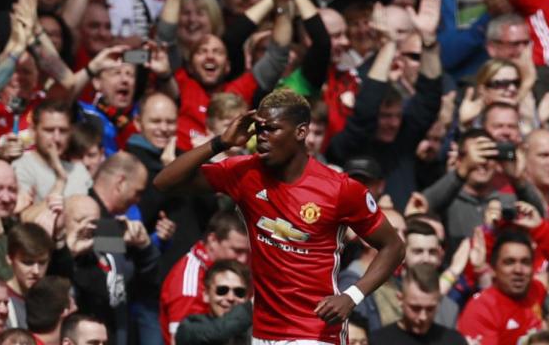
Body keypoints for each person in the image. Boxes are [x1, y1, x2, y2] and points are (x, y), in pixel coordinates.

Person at [154, 89, 404, 343]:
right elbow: (165, 182)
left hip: (314, 331)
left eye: (271, 129)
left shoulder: (339, 189)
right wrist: (221, 143)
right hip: (263, 332)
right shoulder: (244, 173)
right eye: (259, 128)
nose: (262, 137)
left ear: (301, 132)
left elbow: (393, 246)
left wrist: (353, 295)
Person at [159, 210, 249, 344]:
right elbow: (180, 340)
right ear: (213, 240)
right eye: (237, 251)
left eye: (248, 252)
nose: (244, 259)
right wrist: (248, 312)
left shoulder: (231, 266)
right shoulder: (188, 285)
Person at [456, 230, 544, 345]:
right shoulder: (481, 310)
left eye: (525, 262)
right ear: (493, 269)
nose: (518, 270)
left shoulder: (537, 291)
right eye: (509, 262)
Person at [371, 264, 467, 345]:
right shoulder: (378, 341)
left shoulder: (454, 342)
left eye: (430, 309)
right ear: (400, 299)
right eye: (415, 308)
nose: (423, 317)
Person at [174, 260, 253, 345]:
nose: (230, 298)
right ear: (206, 295)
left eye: (239, 292)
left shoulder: (255, 333)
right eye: (222, 290)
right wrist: (249, 307)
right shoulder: (189, 328)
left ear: (246, 296)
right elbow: (218, 332)